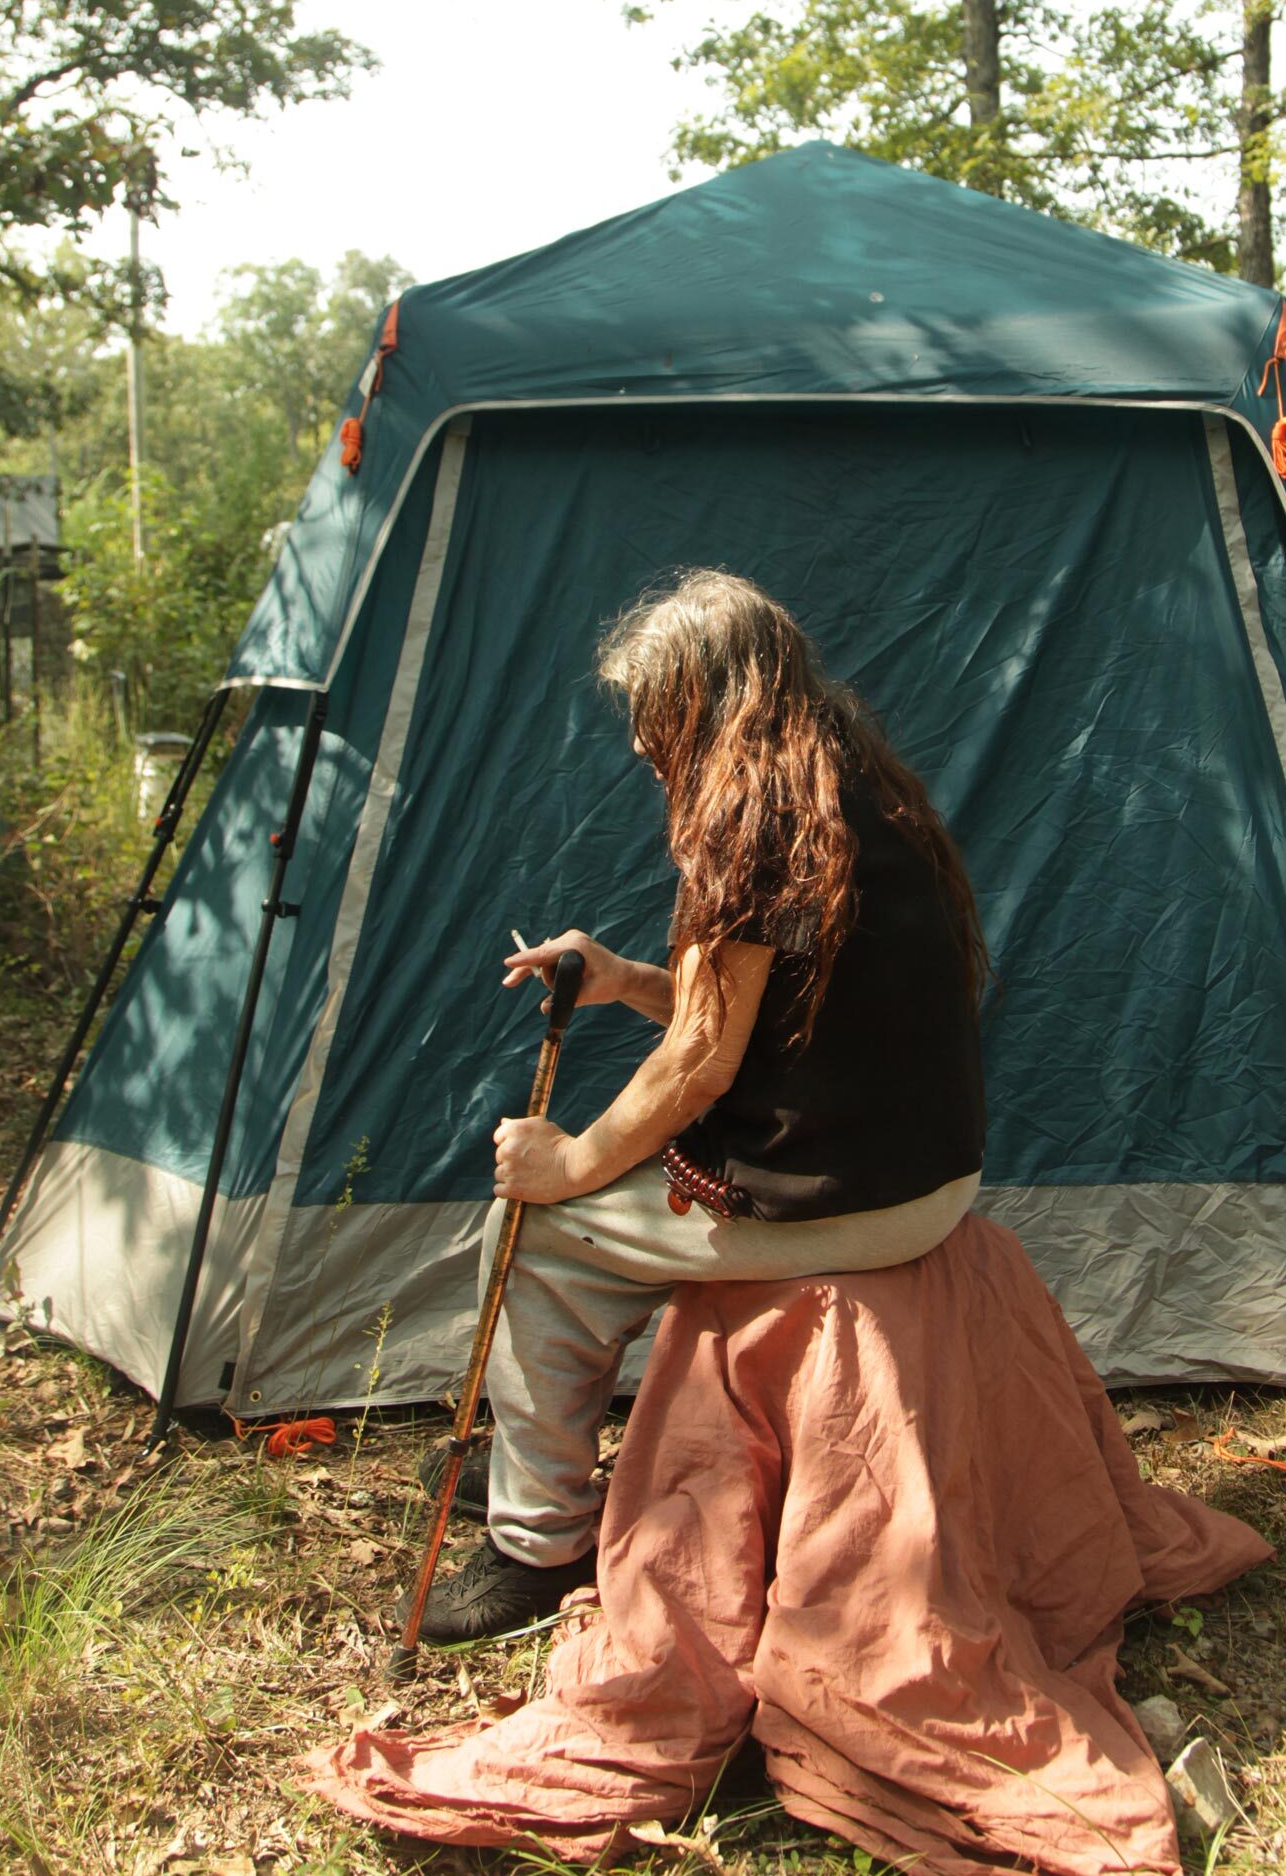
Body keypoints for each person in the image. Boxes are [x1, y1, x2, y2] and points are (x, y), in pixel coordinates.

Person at [423, 567, 989, 1643]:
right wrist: (620, 975)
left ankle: (536, 1542)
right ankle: (531, 1454)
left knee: (530, 1234)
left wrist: (569, 1165)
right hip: (924, 1172)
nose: (642, 745)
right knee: (568, 1210)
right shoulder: (853, 789)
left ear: (710, 704)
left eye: (654, 717)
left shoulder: (757, 827)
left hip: (857, 1202)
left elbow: (700, 1064)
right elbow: (757, 1020)